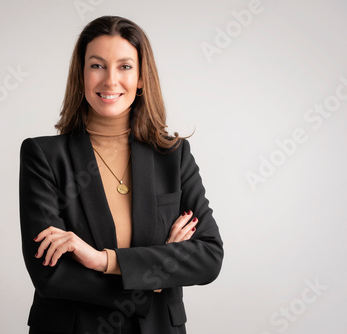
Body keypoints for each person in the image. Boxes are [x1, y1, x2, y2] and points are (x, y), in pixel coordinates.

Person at [19, 15, 223, 334]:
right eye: (97, 65)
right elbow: (51, 275)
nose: (110, 81)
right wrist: (155, 275)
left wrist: (103, 260)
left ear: (141, 77)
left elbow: (209, 256)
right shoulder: (43, 156)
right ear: (81, 74)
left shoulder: (173, 156)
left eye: (125, 66)